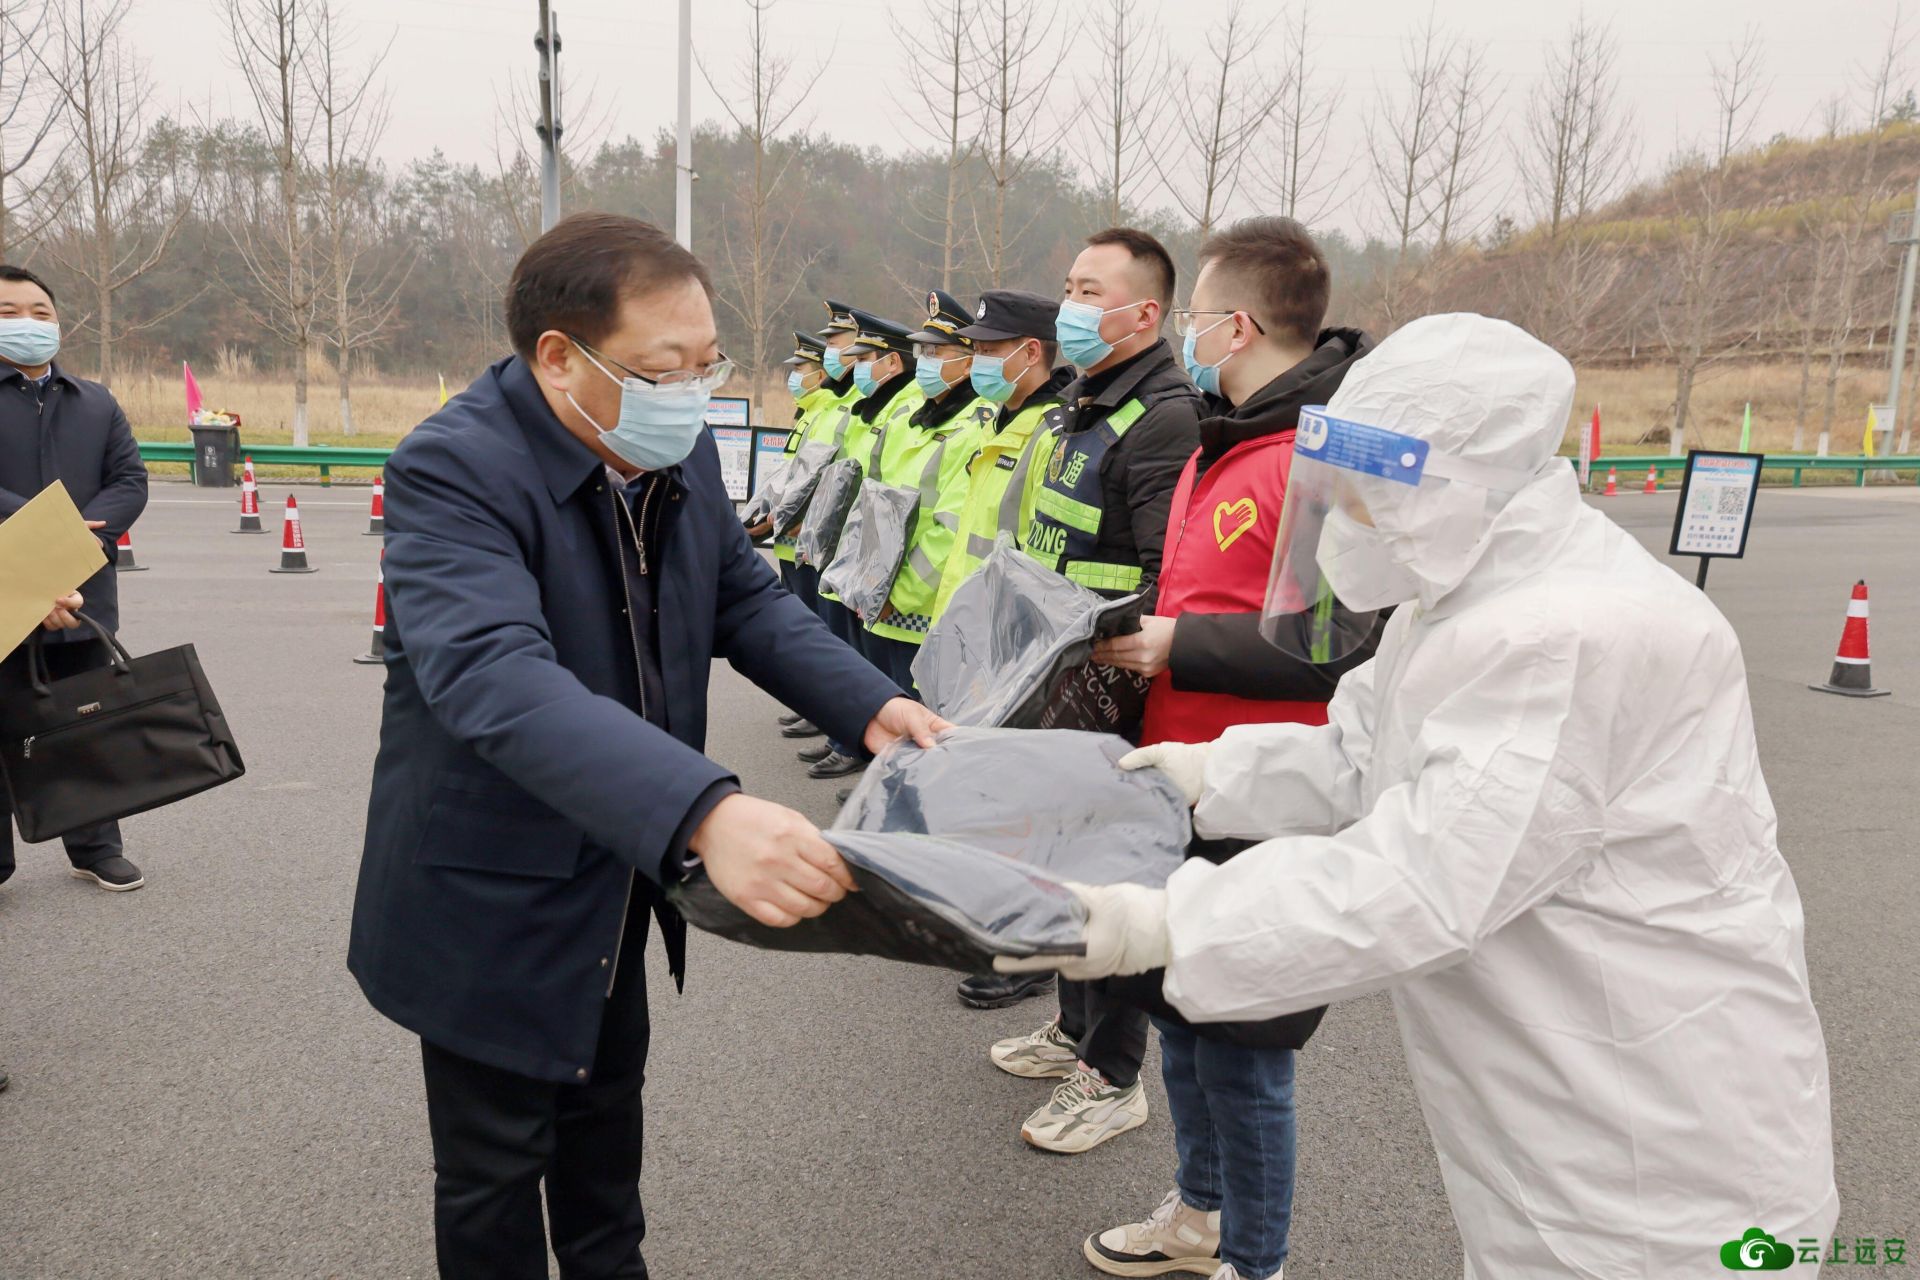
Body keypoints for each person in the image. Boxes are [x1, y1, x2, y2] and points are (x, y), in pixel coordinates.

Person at [1000, 313, 1840, 1278]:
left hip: (1652, 1145)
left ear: (1457, 484)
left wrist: (1153, 925)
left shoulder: (1569, 632)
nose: (1346, 520)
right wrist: (1197, 777)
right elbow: (1361, 756)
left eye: (1370, 496)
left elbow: (1420, 884)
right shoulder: (1466, 595)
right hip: (1551, 1101)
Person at [347, 213, 947, 1280]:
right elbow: (493, 677)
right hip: (493, 883)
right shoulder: (454, 468)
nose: (693, 392)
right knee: (494, 1170)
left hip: (622, 859)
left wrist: (871, 705)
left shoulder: (672, 447)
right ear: (558, 356)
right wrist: (704, 809)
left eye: (708, 364)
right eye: (665, 370)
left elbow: (742, 598)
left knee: (605, 1124)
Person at [1080, 217, 1376, 1280]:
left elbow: (1342, 646)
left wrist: (1181, 644)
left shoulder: (1325, 457)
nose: (1188, 335)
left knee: (1248, 1052)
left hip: (1270, 796)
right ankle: (1198, 1214)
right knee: (1184, 1021)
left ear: (1236, 326)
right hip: (1183, 784)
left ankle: (1257, 1261)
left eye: (1197, 315)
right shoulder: (1226, 438)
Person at [991, 227, 1203, 1157]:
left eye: (1090, 291)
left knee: (1114, 881)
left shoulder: (1165, 418)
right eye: (1069, 285)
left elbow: (1167, 579)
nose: (1070, 305)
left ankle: (1113, 1075)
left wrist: (1089, 642)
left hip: (1110, 695)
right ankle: (1074, 1026)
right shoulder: (1082, 402)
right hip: (1056, 679)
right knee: (1065, 868)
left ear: (1143, 313)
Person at [935, 288, 1075, 1014]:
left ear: (1031, 353)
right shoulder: (1000, 418)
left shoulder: (1050, 429)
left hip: (1017, 638)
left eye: (990, 350)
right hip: (975, 633)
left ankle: (1028, 951)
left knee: (1021, 804)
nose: (977, 361)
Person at [0, 264, 149, 892]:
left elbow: (129, 481)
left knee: (84, 723)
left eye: (40, 313)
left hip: (83, 594)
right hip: (5, 592)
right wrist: (49, 540)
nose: (28, 323)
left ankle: (95, 847)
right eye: (8, 312)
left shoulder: (96, 402)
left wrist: (78, 547)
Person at [804, 307, 926, 781]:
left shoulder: (908, 409)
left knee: (890, 680)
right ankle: (847, 735)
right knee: (848, 654)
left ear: (892, 362)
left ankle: (869, 757)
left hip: (894, 575)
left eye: (861, 357)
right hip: (854, 556)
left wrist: (877, 575)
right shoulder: (869, 405)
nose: (850, 365)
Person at [856, 289, 997, 692]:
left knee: (915, 712)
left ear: (968, 362)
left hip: (920, 608)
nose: (925, 362)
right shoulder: (910, 418)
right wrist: (865, 581)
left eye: (937, 353)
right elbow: (872, 502)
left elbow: (950, 528)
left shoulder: (978, 426)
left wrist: (898, 594)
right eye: (923, 352)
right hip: (879, 599)